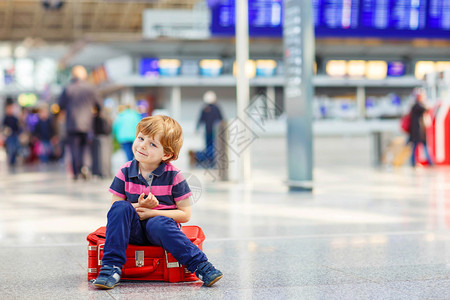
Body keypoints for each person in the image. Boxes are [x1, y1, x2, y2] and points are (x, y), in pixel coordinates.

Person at [93, 115, 223, 289]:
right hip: (133, 231)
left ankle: (201, 266)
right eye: (141, 138)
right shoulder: (124, 172)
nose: (142, 145)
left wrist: (153, 212)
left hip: (161, 231)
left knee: (158, 223)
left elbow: (185, 214)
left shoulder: (174, 176)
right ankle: (111, 267)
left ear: (167, 154)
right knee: (120, 207)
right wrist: (139, 206)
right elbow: (114, 209)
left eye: (152, 144)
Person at [58, 65, 102, 179]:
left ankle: (76, 172)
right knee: (86, 147)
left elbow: (60, 105)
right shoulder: (90, 88)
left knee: (74, 148)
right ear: (84, 75)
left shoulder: (68, 88)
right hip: (87, 124)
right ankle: (86, 167)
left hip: (71, 124)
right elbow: (99, 105)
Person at [193, 91, 223, 166]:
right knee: (212, 147)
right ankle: (211, 161)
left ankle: (210, 160)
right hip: (212, 132)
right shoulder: (214, 108)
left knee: (210, 147)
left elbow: (200, 119)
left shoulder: (208, 108)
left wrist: (197, 128)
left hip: (211, 131)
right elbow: (221, 119)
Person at [408, 92, 433, 167]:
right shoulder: (417, 106)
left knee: (416, 147)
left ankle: (414, 162)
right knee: (422, 146)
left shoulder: (414, 106)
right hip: (418, 131)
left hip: (416, 131)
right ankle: (429, 162)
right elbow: (427, 108)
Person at [2, 100, 21, 167]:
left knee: (15, 149)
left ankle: (14, 161)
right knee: (10, 149)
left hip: (14, 135)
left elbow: (18, 127)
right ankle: (10, 161)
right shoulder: (5, 118)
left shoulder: (15, 118)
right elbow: (3, 127)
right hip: (9, 136)